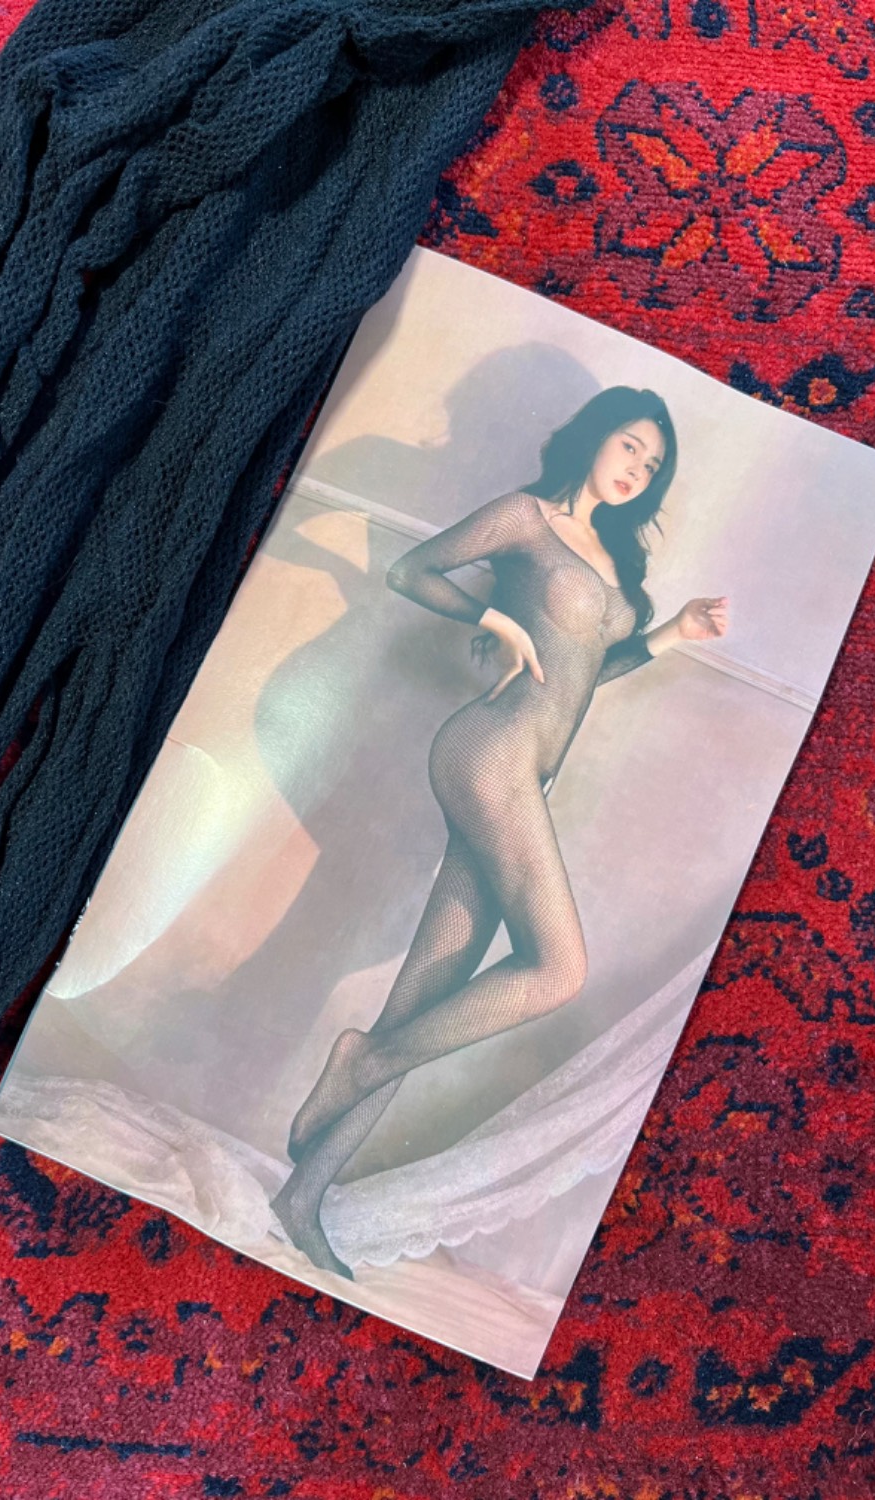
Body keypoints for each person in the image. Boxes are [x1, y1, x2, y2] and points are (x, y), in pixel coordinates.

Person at [270, 386, 729, 1277]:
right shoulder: (526, 519)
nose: (636, 469)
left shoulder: (612, 560)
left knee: (428, 1004)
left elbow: (582, 674)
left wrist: (672, 633)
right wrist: (493, 619)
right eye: (628, 446)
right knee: (557, 970)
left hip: (524, 776)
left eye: (651, 464)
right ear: (592, 437)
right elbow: (411, 571)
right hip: (488, 753)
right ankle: (360, 1061)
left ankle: (302, 1197)